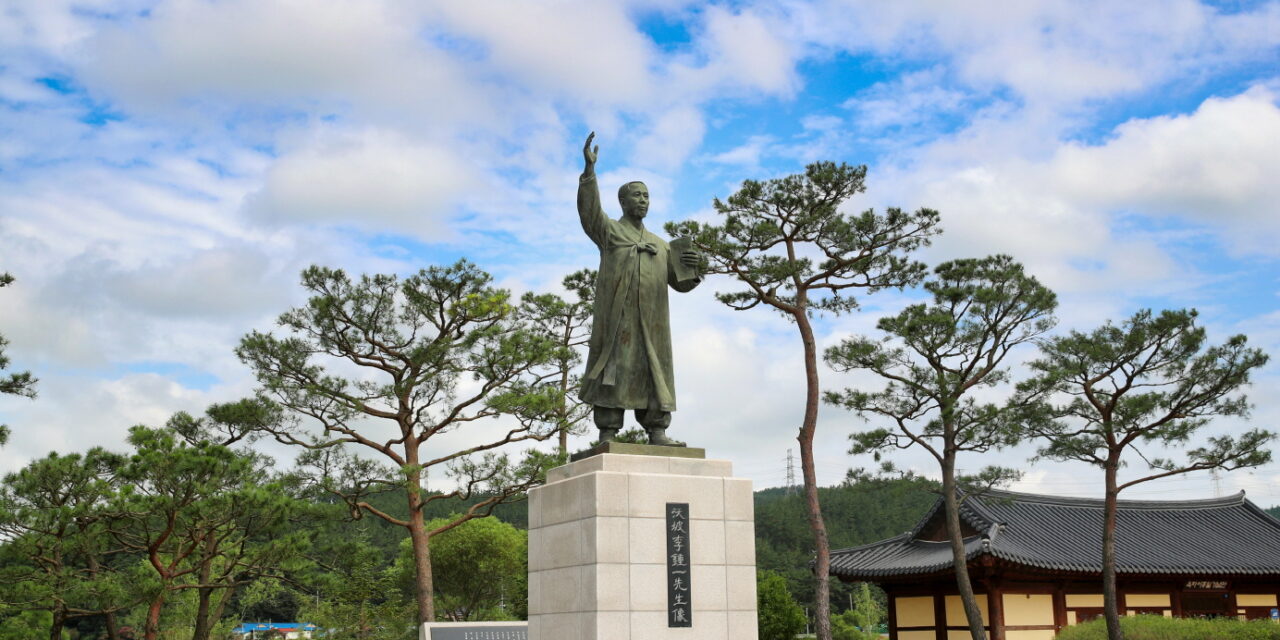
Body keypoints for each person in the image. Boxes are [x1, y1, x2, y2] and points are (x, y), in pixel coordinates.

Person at [576, 131, 701, 446]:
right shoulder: (611, 233)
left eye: (646, 196)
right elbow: (590, 215)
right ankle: (607, 431)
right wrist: (590, 174)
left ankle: (657, 430)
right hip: (618, 321)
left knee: (654, 369)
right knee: (613, 369)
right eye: (637, 195)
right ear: (623, 201)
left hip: (653, 324)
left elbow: (681, 283)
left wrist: (697, 263)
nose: (643, 200)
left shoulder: (660, 244)